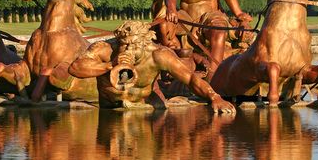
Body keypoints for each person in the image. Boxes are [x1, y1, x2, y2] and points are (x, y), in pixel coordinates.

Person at [67, 21, 235, 113]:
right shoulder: (106, 49)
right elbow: (75, 68)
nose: (128, 49)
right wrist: (110, 65)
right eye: (124, 44)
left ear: (145, 43)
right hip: (110, 111)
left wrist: (214, 97)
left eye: (134, 46)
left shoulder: (158, 54)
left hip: (143, 112)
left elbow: (190, 78)